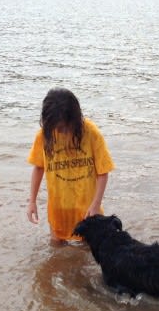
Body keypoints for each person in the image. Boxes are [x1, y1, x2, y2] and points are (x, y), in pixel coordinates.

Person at [27, 88, 114, 243]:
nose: (63, 132)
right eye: (59, 128)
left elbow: (103, 172)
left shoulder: (91, 133)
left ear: (75, 118)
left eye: (66, 127)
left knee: (89, 252)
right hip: (58, 210)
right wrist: (32, 201)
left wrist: (96, 204)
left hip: (88, 210)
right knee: (57, 254)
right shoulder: (44, 136)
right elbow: (39, 167)